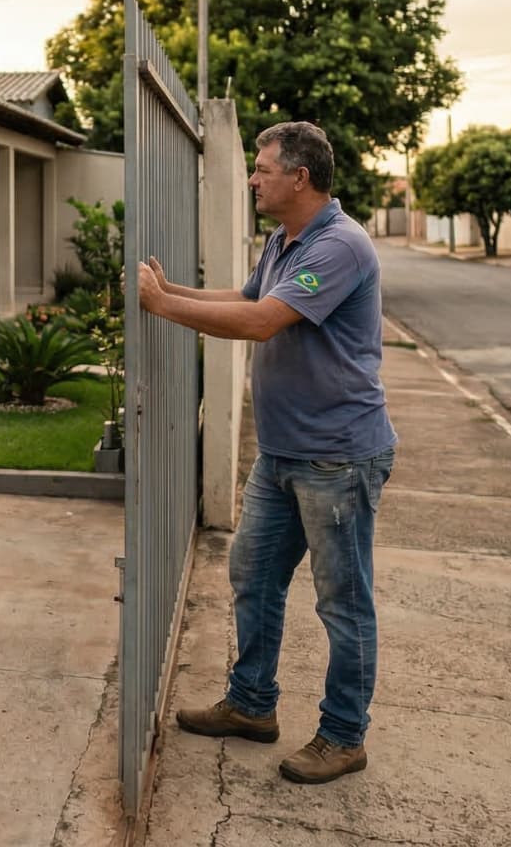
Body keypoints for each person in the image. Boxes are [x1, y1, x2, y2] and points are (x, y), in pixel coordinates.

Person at [134, 120, 396, 785]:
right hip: (285, 454)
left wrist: (165, 309)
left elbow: (260, 323)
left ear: (299, 177)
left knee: (343, 601)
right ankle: (252, 704)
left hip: (336, 457)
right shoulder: (287, 240)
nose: (252, 178)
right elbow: (249, 297)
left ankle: (344, 737)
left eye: (262, 168)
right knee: (252, 576)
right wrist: (173, 294)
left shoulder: (338, 246)